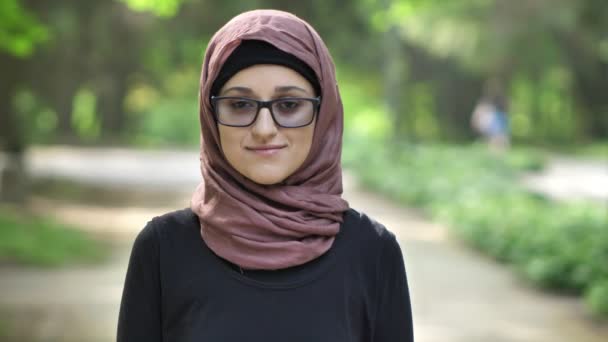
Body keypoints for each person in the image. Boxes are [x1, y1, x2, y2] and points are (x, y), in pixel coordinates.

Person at [117, 9, 414, 341]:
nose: (263, 129)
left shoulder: (372, 253)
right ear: (210, 115)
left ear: (324, 113)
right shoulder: (163, 249)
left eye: (288, 105)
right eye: (240, 105)